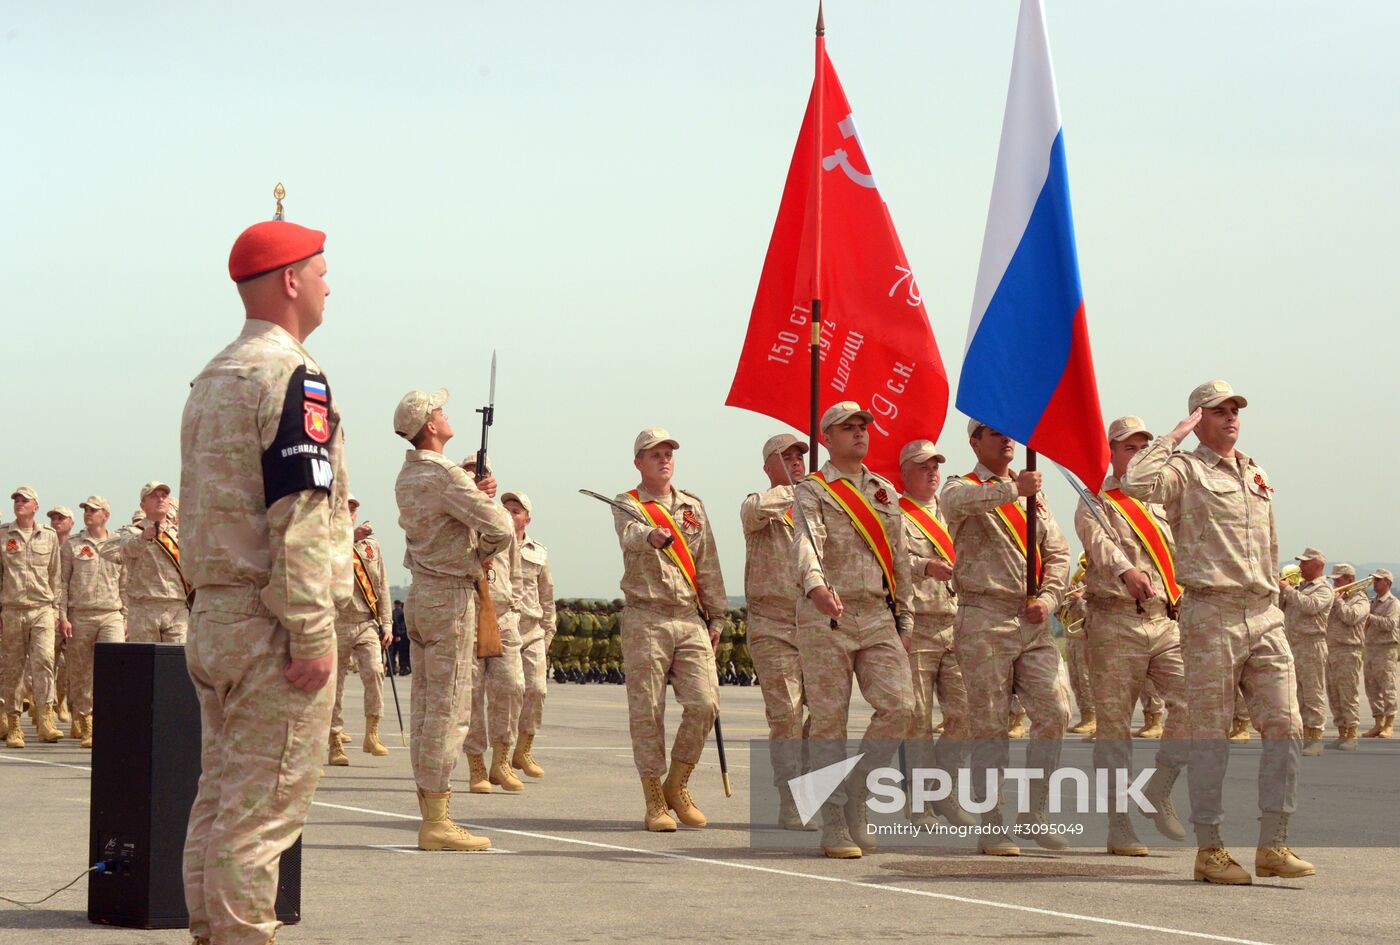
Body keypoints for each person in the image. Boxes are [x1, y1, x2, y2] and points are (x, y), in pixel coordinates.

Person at [181, 210, 352, 945]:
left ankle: (209, 932)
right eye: (320, 272)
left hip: (215, 618)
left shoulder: (211, 376)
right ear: (290, 280)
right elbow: (300, 516)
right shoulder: (293, 376)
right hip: (271, 627)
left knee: (220, 802)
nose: (327, 286)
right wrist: (313, 633)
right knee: (260, 818)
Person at [1120, 379, 1313, 884]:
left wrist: (1274, 593)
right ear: (1197, 418)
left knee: (1286, 727)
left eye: (1235, 409)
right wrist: (1174, 436)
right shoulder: (1182, 470)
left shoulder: (1254, 471)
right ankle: (1212, 850)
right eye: (1218, 410)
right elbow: (1133, 483)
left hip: (1265, 614)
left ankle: (1273, 844)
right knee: (1213, 738)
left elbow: (1269, 542)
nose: (1230, 416)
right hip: (1211, 615)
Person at [942, 420, 1070, 856]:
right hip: (984, 619)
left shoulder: (1034, 493)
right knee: (991, 727)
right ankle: (992, 822)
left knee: (1055, 712)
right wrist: (1013, 491)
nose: (1006, 439)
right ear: (975, 441)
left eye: (1009, 433)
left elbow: (1057, 552)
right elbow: (957, 503)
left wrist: (1050, 599)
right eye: (994, 433)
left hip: (1032, 622)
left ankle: (1034, 813)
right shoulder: (962, 487)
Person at [792, 403, 915, 859]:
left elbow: (899, 557)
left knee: (901, 706)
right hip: (828, 614)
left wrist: (906, 616)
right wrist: (816, 585)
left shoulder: (884, 491)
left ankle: (857, 790)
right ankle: (833, 820)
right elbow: (807, 540)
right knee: (829, 722)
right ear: (827, 437)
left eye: (864, 427)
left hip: (878, 615)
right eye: (849, 428)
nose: (860, 434)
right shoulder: (812, 490)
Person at [394, 387, 512, 851]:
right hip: (451, 596)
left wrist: (467, 489)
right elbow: (499, 527)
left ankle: (431, 809)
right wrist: (479, 552)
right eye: (439, 411)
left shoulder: (409, 475)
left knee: (426, 707)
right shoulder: (445, 476)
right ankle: (438, 821)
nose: (446, 415)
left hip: (422, 595)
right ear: (428, 426)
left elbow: (445, 512)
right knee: (449, 709)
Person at [1073, 415, 1190, 856]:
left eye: (1144, 446)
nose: (1137, 453)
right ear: (1112, 453)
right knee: (1115, 729)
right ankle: (1119, 823)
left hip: (1165, 621)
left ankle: (1159, 787)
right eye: (1128, 447)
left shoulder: (1160, 502)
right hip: (1114, 622)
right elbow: (1098, 544)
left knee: (1196, 703)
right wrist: (1125, 570)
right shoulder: (1096, 499)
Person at [611, 428, 726, 832]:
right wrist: (650, 535)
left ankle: (677, 784)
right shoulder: (629, 503)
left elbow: (708, 561)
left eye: (668, 454)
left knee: (705, 702)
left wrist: (718, 616)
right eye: (654, 454)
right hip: (647, 617)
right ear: (638, 462)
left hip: (690, 617)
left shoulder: (692, 506)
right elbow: (629, 535)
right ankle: (654, 799)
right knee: (648, 711)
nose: (663, 460)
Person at [896, 438, 973, 830]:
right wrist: (924, 566)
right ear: (906, 471)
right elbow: (891, 561)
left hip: (957, 624)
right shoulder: (895, 514)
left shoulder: (952, 514)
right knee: (918, 720)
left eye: (936, 465)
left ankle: (943, 790)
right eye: (923, 465)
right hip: (919, 624)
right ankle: (921, 801)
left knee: (965, 715)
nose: (932, 471)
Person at [739, 433, 812, 830]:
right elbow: (754, 511)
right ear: (769, 466)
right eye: (786, 457)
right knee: (786, 714)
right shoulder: (760, 506)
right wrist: (797, 491)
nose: (797, 461)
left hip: (816, 623)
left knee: (826, 716)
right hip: (773, 624)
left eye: (801, 456)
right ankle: (791, 799)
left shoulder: (818, 509)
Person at [462, 458, 527, 795]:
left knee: (512, 687)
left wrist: (513, 607)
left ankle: (501, 761)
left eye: (483, 472)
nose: (478, 477)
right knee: (471, 695)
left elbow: (515, 569)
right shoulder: (453, 514)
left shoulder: (501, 518)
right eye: (471, 472)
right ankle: (476, 763)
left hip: (502, 617)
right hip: (468, 616)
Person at [327, 497, 393, 764]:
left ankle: (372, 732)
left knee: (376, 672)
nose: (350, 512)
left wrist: (387, 623)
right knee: (334, 685)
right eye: (345, 507)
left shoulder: (371, 547)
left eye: (354, 508)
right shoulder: (326, 543)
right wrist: (348, 538)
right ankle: (334, 740)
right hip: (336, 621)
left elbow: (383, 586)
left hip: (366, 621)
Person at [55, 496, 125, 749]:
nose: (88, 514)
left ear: (105, 514)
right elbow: (61, 583)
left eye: (93, 510)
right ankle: (87, 724)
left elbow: (125, 583)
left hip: (111, 614)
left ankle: (113, 721)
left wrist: (125, 616)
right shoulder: (72, 545)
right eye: (85, 510)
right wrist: (62, 617)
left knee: (114, 669)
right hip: (80, 615)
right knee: (81, 672)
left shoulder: (118, 544)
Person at [1, 486, 64, 746]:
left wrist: (58, 612)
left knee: (45, 662)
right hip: (13, 610)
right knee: (12, 668)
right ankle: (14, 723)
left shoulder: (48, 536)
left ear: (35, 506)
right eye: (16, 500)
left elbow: (56, 577)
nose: (19, 503)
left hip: (41, 609)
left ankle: (46, 719)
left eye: (24, 500)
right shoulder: (4, 534)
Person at [503, 490, 555, 779]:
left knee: (537, 690)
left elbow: (547, 595)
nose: (510, 514)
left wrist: (548, 633)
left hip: (533, 631)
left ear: (527, 518)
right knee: (511, 691)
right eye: (506, 509)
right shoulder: (493, 545)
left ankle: (523, 750)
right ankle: (501, 753)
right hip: (502, 629)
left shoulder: (539, 552)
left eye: (515, 510)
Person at [105, 481, 190, 643]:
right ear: (142, 504)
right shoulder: (131, 532)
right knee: (144, 664)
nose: (160, 500)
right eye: (154, 496)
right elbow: (117, 551)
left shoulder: (181, 534)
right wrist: (143, 538)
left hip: (177, 608)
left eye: (164, 496)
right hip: (143, 608)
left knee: (177, 663)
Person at [1279, 547, 1334, 756]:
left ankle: (1316, 738)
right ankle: (1302, 735)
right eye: (1300, 563)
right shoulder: (1300, 587)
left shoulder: (1324, 589)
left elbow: (1311, 607)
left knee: (1313, 693)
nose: (1301, 566)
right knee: (1298, 694)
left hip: (1312, 644)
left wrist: (1288, 590)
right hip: (1294, 644)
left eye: (1305, 563)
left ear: (1318, 565)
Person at [1323, 562, 1370, 751]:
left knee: (1347, 693)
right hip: (1331, 650)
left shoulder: (1361, 599)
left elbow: (1351, 617)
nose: (1335, 584)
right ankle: (1341, 732)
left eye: (1339, 580)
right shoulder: (1338, 598)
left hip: (1348, 651)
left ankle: (1352, 733)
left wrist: (1338, 601)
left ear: (1350, 580)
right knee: (1333, 694)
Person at [46, 506, 75, 725]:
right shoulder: (44, 544)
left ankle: (63, 700)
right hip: (49, 610)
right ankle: (45, 707)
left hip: (71, 611)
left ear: (71, 522)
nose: (56, 521)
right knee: (47, 661)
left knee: (68, 664)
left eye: (61, 518)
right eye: (54, 518)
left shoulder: (76, 546)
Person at [1362, 570, 1398, 738]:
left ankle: (1389, 724)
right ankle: (1378, 723)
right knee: (1372, 688)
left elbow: (1391, 624)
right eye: (1374, 580)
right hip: (1370, 648)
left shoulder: (1393, 603)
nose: (1374, 583)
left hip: (1385, 649)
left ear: (1387, 583)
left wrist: (1370, 617)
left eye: (1378, 580)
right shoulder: (1372, 602)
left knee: (1387, 687)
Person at [389, 600, 410, 675]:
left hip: (394, 635)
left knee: (392, 653)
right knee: (403, 654)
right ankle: (403, 669)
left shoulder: (393, 613)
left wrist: (397, 634)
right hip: (404, 636)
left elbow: (395, 624)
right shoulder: (403, 613)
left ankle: (391, 670)